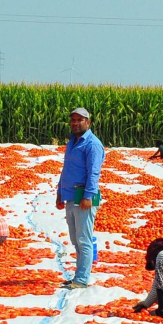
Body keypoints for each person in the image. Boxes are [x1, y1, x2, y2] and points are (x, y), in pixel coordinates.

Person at [57, 107, 105, 289]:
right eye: (73, 120)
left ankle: (82, 279)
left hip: (84, 196)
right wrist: (60, 193)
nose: (75, 123)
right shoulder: (72, 141)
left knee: (84, 239)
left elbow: (94, 173)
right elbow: (66, 169)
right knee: (75, 239)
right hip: (70, 195)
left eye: (80, 120)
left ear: (88, 123)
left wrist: (88, 196)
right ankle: (79, 275)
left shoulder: (92, 144)